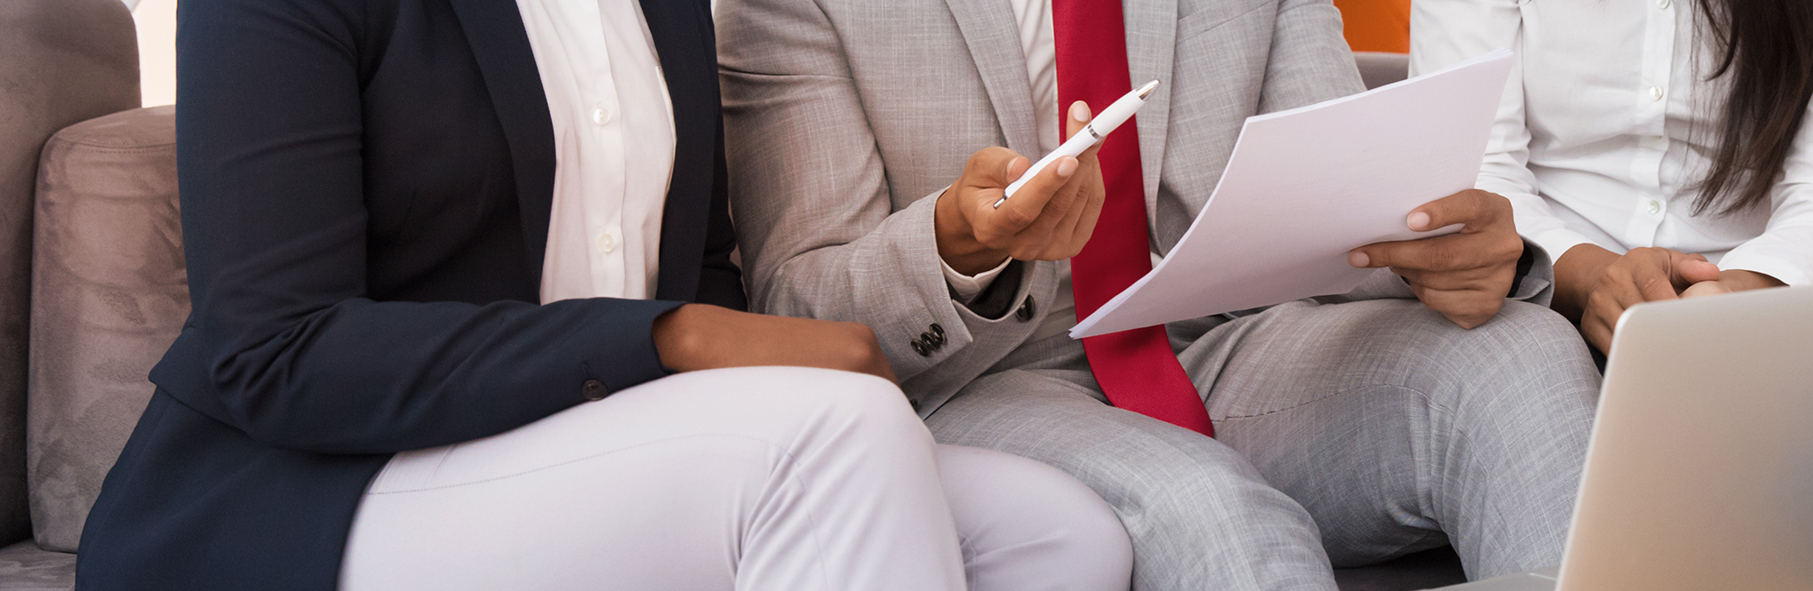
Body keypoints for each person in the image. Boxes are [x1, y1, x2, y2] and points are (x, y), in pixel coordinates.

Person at [73, 0, 1130, 589]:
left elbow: (691, 259)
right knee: (838, 436)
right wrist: (674, 339)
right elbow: (276, 351)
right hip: (319, 485)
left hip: (579, 449)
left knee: (1063, 536)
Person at [717, 0, 1602, 589]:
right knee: (1212, 510)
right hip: (981, 377)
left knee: (1520, 358)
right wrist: (956, 243)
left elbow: (1351, 204)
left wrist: (1450, 247)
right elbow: (798, 302)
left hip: (1232, 342)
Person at [1412, 0, 1813, 353]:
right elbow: (1475, 167)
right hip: (1533, 295)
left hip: (1765, 315)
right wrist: (1587, 274)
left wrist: (1742, 291)